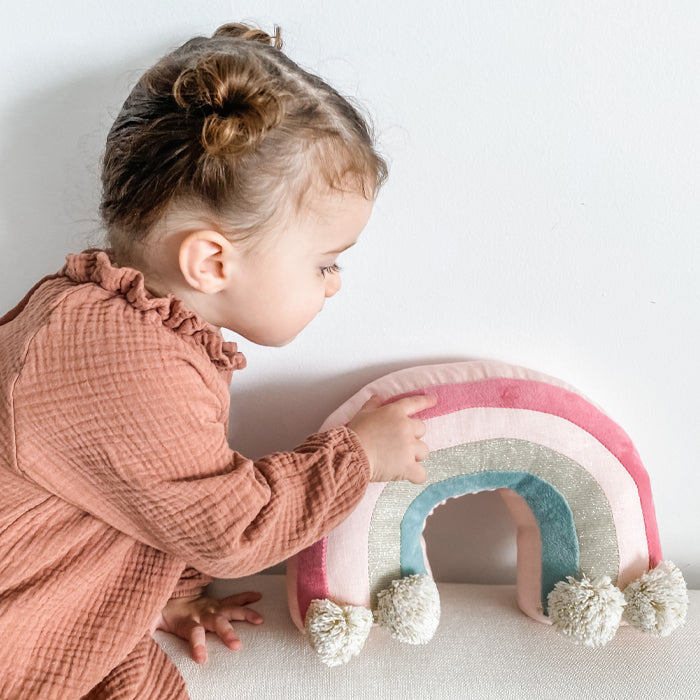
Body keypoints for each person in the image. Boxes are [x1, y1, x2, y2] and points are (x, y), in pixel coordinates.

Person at [0, 22, 436, 699]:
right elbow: (234, 528)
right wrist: (356, 458)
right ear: (211, 262)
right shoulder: (126, 368)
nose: (333, 285)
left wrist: (167, 592)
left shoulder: (122, 325)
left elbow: (143, 491)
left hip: (60, 603)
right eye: (325, 263)